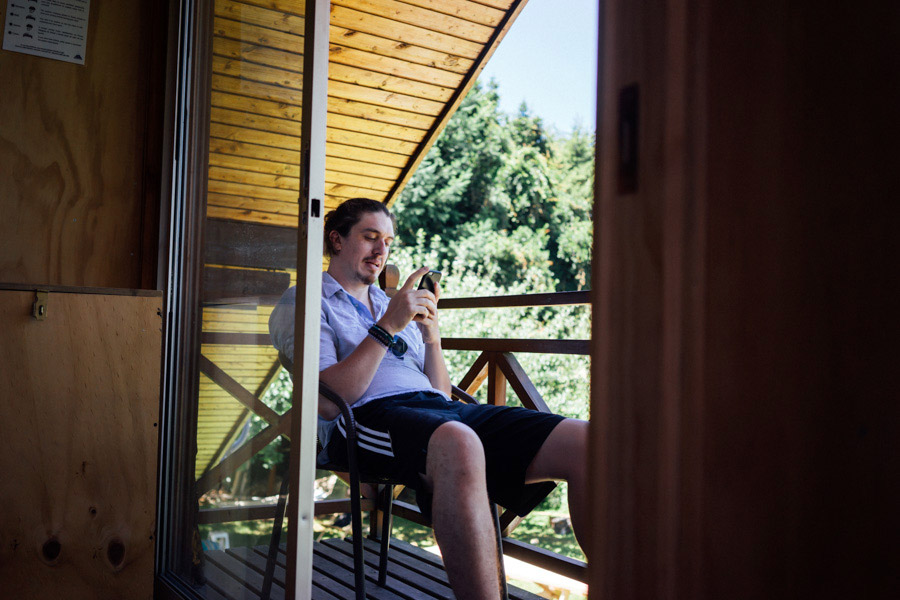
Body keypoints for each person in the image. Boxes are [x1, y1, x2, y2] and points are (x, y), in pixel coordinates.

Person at [269, 198, 588, 599]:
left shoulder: (390, 304)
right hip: (361, 421)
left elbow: (438, 394)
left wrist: (432, 338)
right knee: (457, 440)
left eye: (387, 241)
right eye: (369, 238)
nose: (381, 251)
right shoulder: (305, 300)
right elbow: (329, 403)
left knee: (584, 440)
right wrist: (387, 327)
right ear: (336, 239)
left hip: (436, 411)